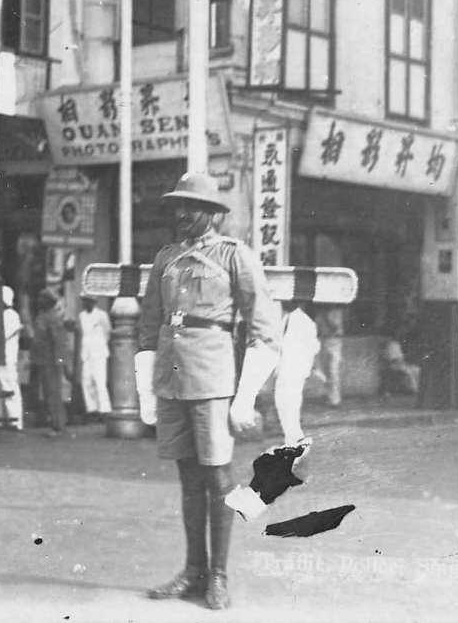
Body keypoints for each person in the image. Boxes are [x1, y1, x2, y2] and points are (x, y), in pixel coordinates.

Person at [136, 172, 280, 610]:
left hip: (213, 377)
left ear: (213, 213)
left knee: (217, 476)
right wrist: (146, 388)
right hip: (172, 376)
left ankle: (218, 575)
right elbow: (149, 325)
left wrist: (245, 395)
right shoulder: (165, 258)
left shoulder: (235, 256)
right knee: (187, 477)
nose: (182, 213)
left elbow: (265, 330)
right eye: (178, 206)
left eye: (192, 206)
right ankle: (193, 570)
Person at [273, 301, 319, 448]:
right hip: (287, 367)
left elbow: (313, 347)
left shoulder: (304, 321)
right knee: (286, 401)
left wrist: (307, 367)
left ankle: (293, 437)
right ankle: (293, 436)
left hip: (294, 367)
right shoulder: (285, 318)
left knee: (289, 401)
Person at [32, 288, 72, 437]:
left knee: (53, 393)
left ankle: (58, 426)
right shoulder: (43, 317)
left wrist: (60, 362)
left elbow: (59, 342)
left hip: (51, 362)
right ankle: (56, 423)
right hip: (44, 360)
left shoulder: (52, 319)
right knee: (49, 393)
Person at [77, 294, 112, 421]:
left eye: (88, 301)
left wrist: (100, 345)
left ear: (93, 302)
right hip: (86, 352)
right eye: (84, 301)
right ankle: (91, 409)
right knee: (86, 380)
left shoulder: (101, 315)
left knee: (100, 381)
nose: (85, 303)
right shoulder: (81, 316)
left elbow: (108, 332)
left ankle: (104, 410)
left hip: (99, 353)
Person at [0, 286, 24, 430]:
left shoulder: (11, 315)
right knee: (4, 387)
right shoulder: (3, 314)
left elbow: (2, 336)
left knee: (10, 387)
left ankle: (16, 420)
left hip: (8, 357)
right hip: (1, 357)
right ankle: (8, 419)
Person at [315, 306, 344, 407]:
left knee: (333, 370)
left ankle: (335, 400)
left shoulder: (337, 311)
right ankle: (328, 396)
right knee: (325, 370)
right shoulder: (320, 312)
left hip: (335, 341)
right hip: (324, 340)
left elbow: (334, 328)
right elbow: (317, 328)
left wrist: (325, 317)